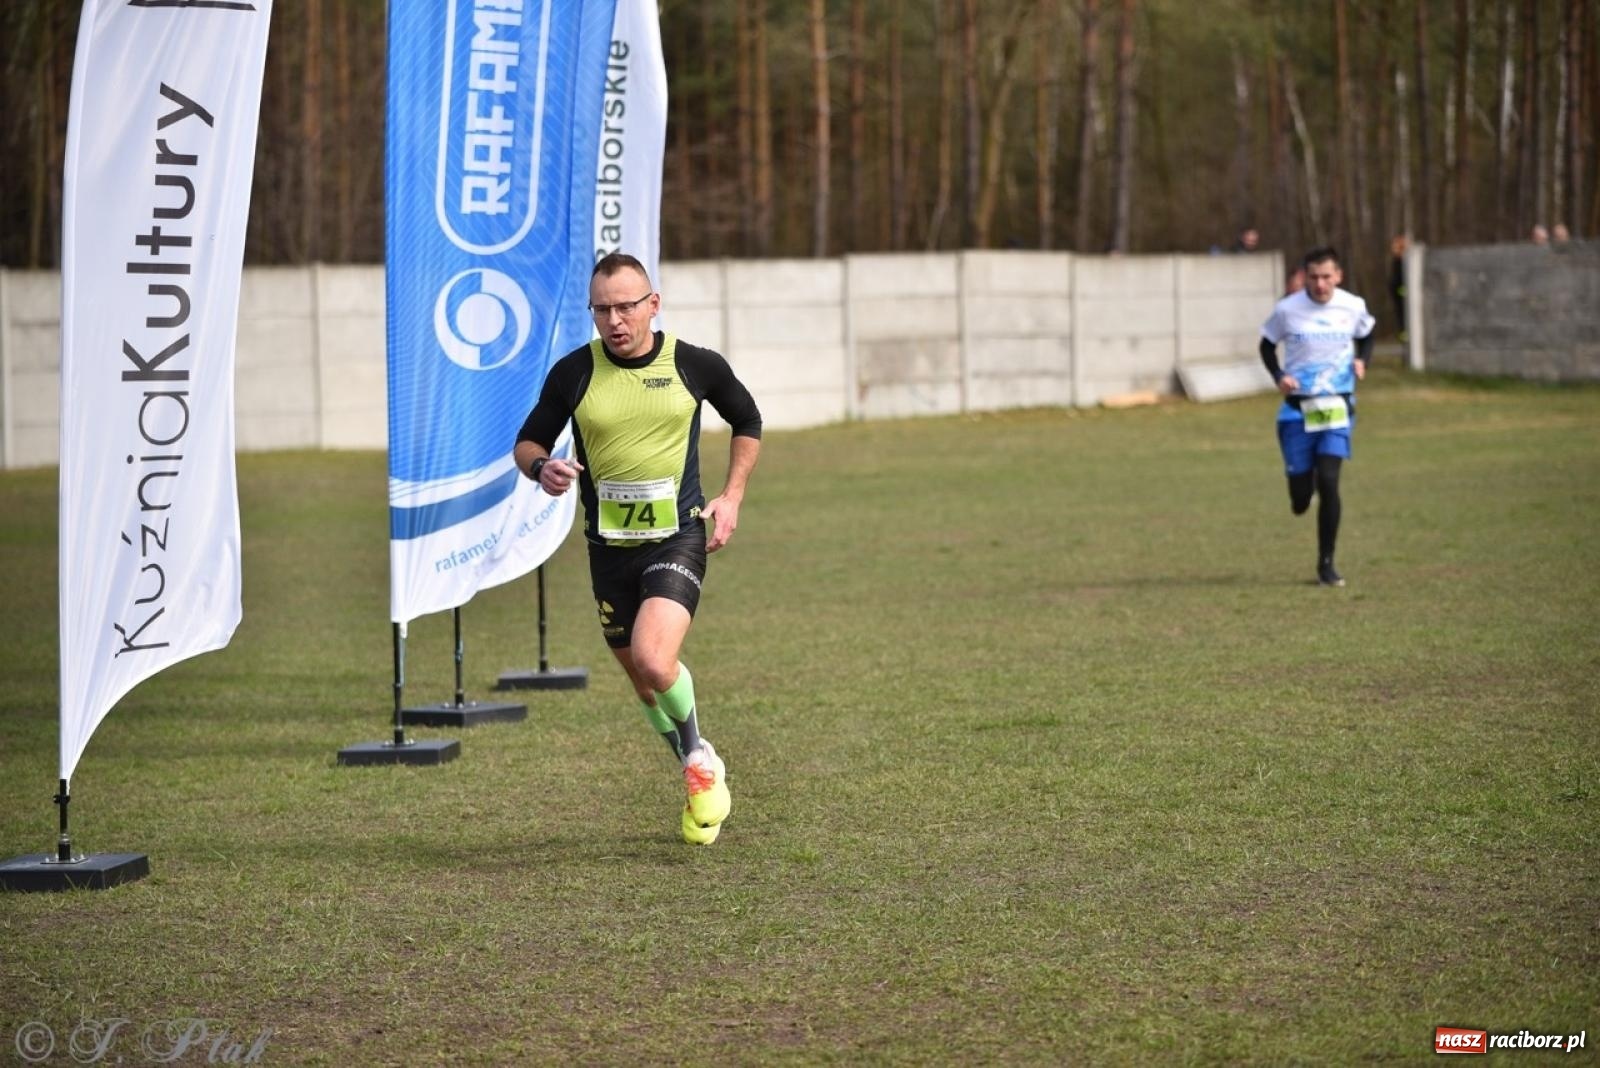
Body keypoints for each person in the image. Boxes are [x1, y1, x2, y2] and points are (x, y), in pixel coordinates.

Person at [514, 252, 763, 844]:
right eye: (601, 309)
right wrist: (542, 467)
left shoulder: (693, 365)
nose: (614, 320)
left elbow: (747, 418)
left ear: (654, 303)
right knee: (642, 680)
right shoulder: (574, 372)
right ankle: (694, 761)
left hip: (678, 536)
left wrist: (730, 497)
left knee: (656, 659)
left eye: (626, 306)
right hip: (608, 549)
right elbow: (528, 441)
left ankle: (699, 762)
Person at [1258, 247, 1376, 587]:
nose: (1320, 284)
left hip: (1336, 407)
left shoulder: (1352, 306)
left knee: (1329, 481)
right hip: (1297, 411)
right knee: (1299, 500)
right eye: (1314, 277)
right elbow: (1265, 345)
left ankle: (1326, 565)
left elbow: (1366, 334)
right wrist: (1279, 375)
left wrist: (1362, 361)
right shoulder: (1287, 309)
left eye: (1327, 277)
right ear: (1304, 277)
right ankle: (1300, 486)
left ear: (1338, 276)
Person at [1388, 234, 1409, 344]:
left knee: (1405, 320)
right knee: (1402, 320)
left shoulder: (1404, 262)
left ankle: (1405, 339)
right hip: (1400, 296)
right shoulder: (1398, 262)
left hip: (1403, 296)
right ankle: (1404, 340)